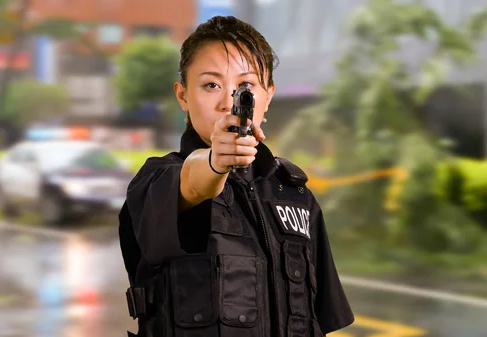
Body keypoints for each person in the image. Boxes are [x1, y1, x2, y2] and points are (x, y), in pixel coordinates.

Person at [118, 15, 354, 337]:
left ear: (267, 96)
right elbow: (192, 183)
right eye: (211, 84)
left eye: (245, 87)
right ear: (183, 96)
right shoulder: (156, 183)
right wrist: (217, 163)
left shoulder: (296, 195)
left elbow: (321, 319)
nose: (228, 102)